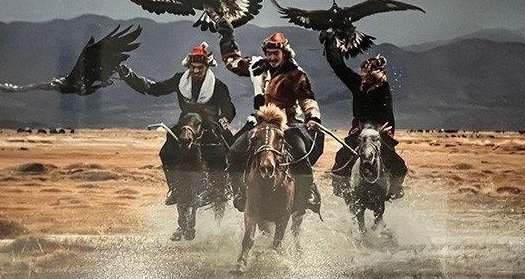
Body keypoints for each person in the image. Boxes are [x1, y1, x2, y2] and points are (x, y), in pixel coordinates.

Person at [218, 21, 324, 215]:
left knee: (300, 152)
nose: (272, 57)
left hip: (287, 123)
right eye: (269, 53)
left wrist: (312, 117)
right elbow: (233, 63)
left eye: (276, 53)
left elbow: (307, 99)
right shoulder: (256, 66)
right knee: (234, 152)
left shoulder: (296, 74)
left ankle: (308, 192)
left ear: (284, 53)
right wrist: (226, 37)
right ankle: (239, 192)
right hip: (259, 121)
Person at [118, 43, 235, 214]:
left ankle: (224, 188)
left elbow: (229, 110)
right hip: (185, 124)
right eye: (193, 67)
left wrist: (221, 123)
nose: (196, 70)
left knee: (231, 150)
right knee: (165, 152)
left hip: (210, 125)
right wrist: (129, 77)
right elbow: (154, 88)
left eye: (200, 67)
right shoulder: (179, 80)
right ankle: (174, 188)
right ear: (188, 66)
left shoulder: (219, 86)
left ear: (207, 66)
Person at [322, 31, 407, 200]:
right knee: (342, 155)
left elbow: (387, 113)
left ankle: (395, 187)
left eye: (366, 71)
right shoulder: (357, 84)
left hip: (380, 131)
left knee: (397, 164)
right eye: (363, 71)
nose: (363, 73)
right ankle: (340, 184)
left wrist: (384, 130)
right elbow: (339, 67)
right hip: (359, 130)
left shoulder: (383, 88)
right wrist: (330, 45)